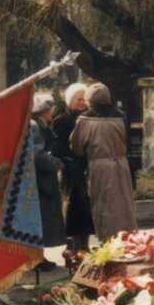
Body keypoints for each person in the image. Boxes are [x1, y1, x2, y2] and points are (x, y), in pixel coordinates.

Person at [70, 83, 137, 242]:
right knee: (124, 205)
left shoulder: (85, 120)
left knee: (105, 206)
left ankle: (108, 242)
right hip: (121, 165)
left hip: (100, 168)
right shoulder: (121, 117)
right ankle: (127, 239)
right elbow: (127, 142)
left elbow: (77, 147)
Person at [51, 82, 94, 253]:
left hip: (86, 168)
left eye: (84, 99)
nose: (82, 103)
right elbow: (58, 147)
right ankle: (72, 247)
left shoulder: (89, 118)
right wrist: (71, 160)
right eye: (79, 99)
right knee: (72, 207)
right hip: (71, 170)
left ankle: (85, 244)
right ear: (70, 101)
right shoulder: (62, 120)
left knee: (86, 208)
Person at [30, 94, 66, 270]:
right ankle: (37, 258)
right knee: (41, 218)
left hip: (42, 178)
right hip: (40, 179)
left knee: (43, 218)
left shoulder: (39, 125)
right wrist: (55, 163)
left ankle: (39, 257)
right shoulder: (35, 126)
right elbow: (37, 154)